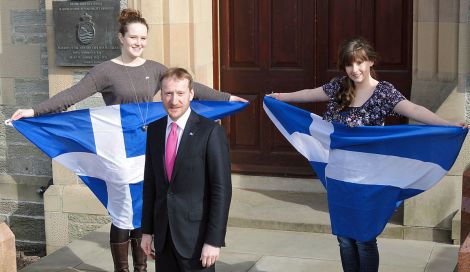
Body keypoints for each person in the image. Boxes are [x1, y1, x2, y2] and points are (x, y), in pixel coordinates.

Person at [8, 9, 244, 272]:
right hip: (118, 153)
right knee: (123, 212)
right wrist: (34, 111)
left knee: (146, 207)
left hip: (148, 149)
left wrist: (227, 98)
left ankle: (142, 267)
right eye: (134, 37)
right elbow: (72, 95)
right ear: (120, 37)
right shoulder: (105, 71)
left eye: (143, 38)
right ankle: (123, 269)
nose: (139, 43)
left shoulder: (154, 69)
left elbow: (191, 87)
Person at [269, 37, 466, 272]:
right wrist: (281, 97)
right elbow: (310, 93)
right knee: (343, 237)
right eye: (349, 65)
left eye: (360, 63)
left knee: (364, 238)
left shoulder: (384, 93)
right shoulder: (339, 87)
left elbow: (414, 109)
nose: (355, 70)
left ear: (371, 61)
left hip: (368, 180)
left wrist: (447, 124)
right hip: (339, 177)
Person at [141, 67, 232, 272]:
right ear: (161, 94)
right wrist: (147, 231)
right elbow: (150, 184)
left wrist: (214, 240)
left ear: (191, 94)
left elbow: (221, 191)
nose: (174, 100)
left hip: (197, 241)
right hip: (163, 239)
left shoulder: (210, 132)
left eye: (180, 93)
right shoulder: (154, 130)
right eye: (168, 94)